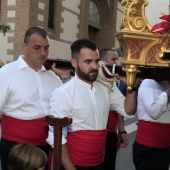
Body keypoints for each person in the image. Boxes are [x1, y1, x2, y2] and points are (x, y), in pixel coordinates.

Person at [47, 38, 137, 170]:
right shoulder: (62, 93)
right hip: (74, 165)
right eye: (88, 62)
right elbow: (56, 137)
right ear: (74, 63)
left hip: (100, 162)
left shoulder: (106, 87)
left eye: (96, 61)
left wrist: (131, 86)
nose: (94, 66)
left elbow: (128, 111)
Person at [0, 27, 62, 170]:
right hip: (16, 149)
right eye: (37, 48)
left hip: (44, 145)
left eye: (46, 48)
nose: (43, 53)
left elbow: (63, 107)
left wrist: (64, 77)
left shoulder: (53, 78)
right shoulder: (6, 73)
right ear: (24, 47)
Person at [99, 48, 129, 170]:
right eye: (114, 59)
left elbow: (119, 110)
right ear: (103, 61)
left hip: (111, 135)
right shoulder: (95, 81)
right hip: (99, 136)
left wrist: (122, 132)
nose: (117, 63)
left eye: (117, 59)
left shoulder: (113, 82)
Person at [133, 79, 170, 170]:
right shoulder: (148, 83)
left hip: (164, 147)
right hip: (148, 148)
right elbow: (154, 112)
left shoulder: (165, 84)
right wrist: (168, 92)